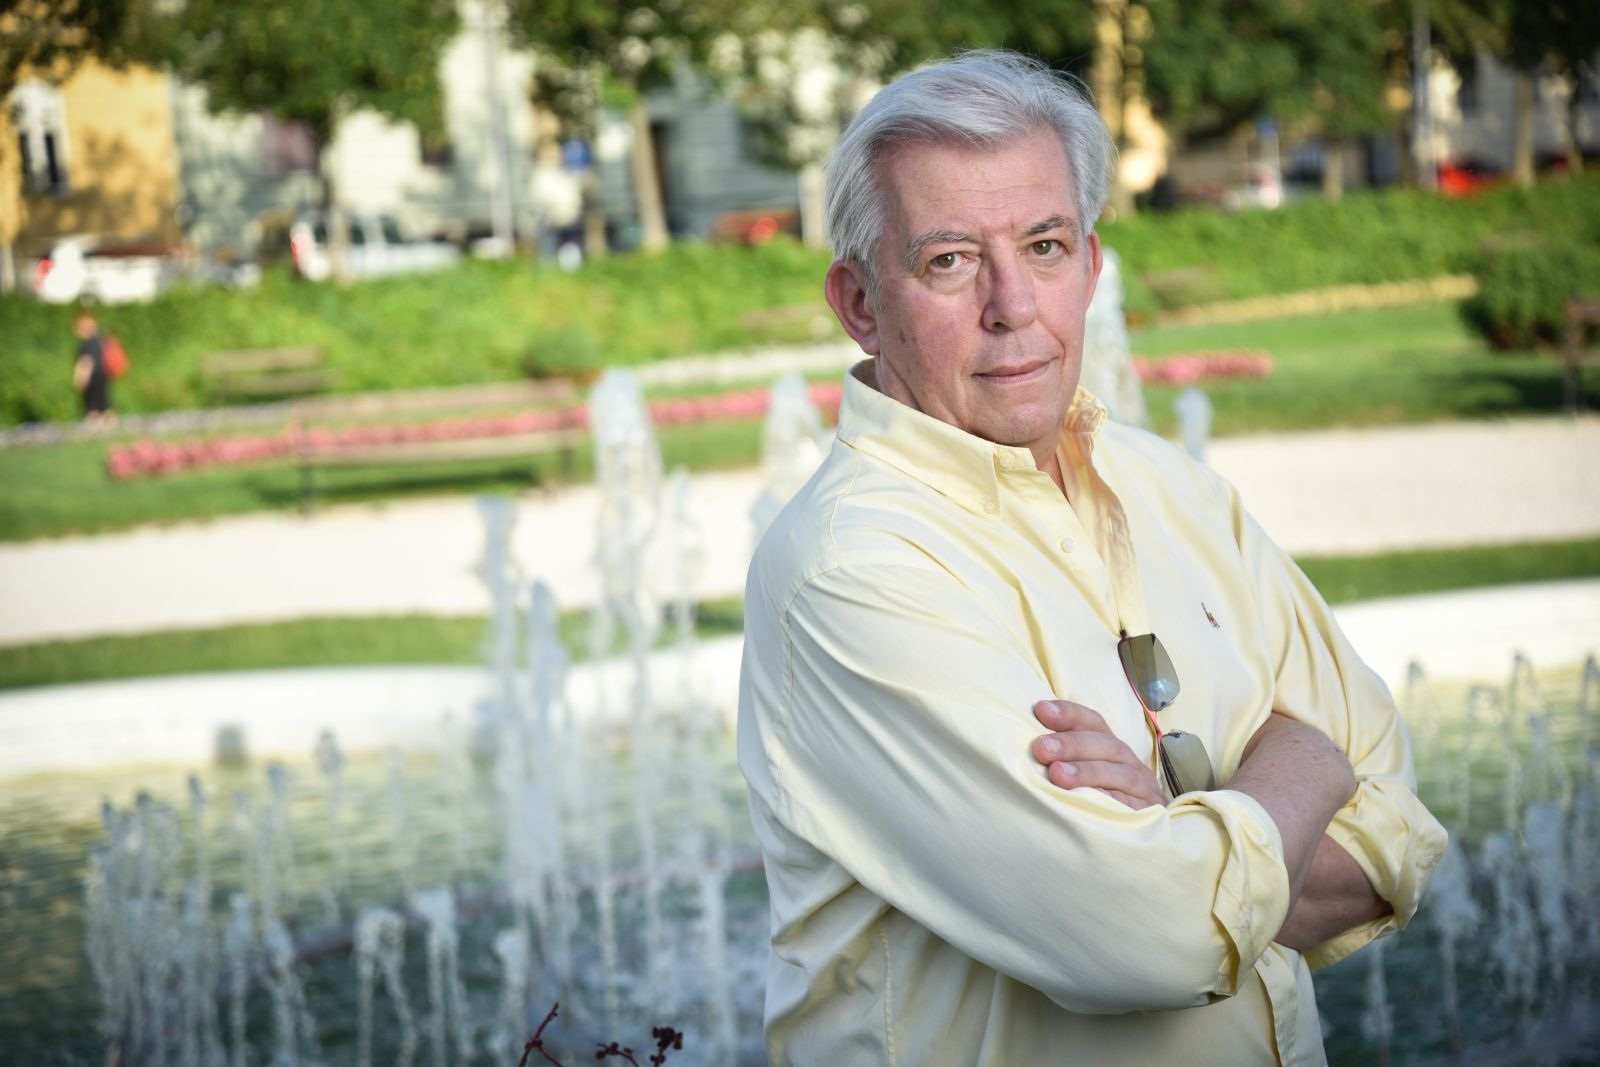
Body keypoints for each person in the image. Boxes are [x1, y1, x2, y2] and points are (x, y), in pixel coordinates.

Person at [737, 50, 1446, 1065]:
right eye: (948, 260)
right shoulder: (850, 572)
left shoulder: (1172, 486)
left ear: (1092, 265)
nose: (1012, 305)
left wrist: (1177, 827)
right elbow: (1156, 934)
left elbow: (1402, 829)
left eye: (1043, 244)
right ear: (857, 301)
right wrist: (1305, 763)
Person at [72, 310, 114, 424]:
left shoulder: (88, 342)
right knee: (104, 404)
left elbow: (87, 362)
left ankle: (94, 429)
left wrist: (82, 378)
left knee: (93, 406)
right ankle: (111, 428)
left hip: (93, 378)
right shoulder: (100, 338)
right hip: (103, 375)